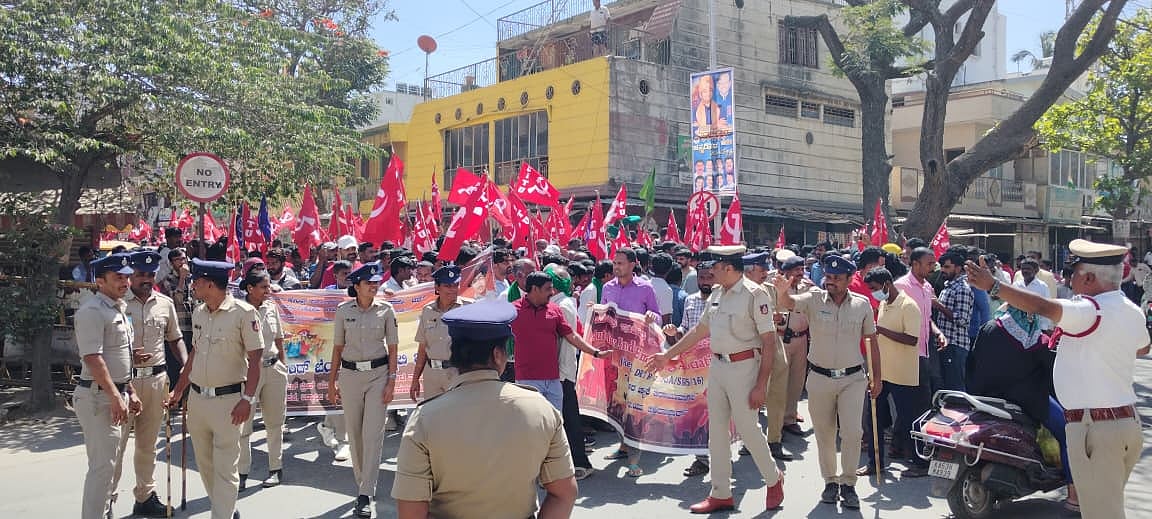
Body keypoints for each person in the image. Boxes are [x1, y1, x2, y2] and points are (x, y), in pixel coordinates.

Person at [966, 240, 1149, 519]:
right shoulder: (1131, 310)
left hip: (1096, 428)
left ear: (1089, 278)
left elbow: (1043, 307)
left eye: (1073, 273)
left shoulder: (1090, 310)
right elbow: (1143, 348)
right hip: (1124, 425)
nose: (1068, 280)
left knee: (1102, 514)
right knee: (1105, 509)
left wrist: (994, 286)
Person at [391, 297, 578, 518]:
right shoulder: (540, 409)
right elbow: (564, 494)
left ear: (453, 355)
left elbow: (411, 511)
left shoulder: (425, 418)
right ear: (498, 355)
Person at [648, 245, 785, 514]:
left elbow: (769, 342)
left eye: (717, 267)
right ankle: (721, 492)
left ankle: (773, 478)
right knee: (717, 432)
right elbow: (699, 331)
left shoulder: (755, 295)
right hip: (718, 367)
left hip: (745, 367)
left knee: (747, 428)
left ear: (730, 268)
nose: (711, 272)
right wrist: (667, 355)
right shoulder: (718, 293)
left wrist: (761, 385)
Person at [773, 255, 880, 510]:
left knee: (852, 433)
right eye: (828, 277)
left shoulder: (862, 304)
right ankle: (830, 481)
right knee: (824, 434)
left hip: (852, 379)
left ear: (849, 279)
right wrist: (782, 292)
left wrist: (877, 377)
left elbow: (872, 341)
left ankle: (849, 484)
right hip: (820, 378)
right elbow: (789, 303)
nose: (830, 281)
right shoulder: (813, 299)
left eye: (837, 278)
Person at [165, 259, 265, 519]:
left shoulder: (243, 313)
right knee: (205, 464)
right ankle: (226, 509)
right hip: (198, 400)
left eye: (196, 282)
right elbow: (195, 353)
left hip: (229, 402)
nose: (193, 286)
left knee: (225, 467)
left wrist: (247, 399)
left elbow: (256, 359)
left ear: (210, 284)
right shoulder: (199, 312)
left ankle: (221, 514)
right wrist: (179, 390)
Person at [114, 251, 185, 517]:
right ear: (130, 276)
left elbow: (175, 338)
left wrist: (186, 364)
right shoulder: (118, 304)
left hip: (156, 381)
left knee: (148, 445)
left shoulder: (165, 304)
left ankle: (144, 496)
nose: (145, 279)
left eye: (150, 274)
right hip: (125, 382)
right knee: (116, 446)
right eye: (140, 274)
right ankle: (107, 501)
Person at [328, 262, 399, 518]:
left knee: (373, 434)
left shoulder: (386, 310)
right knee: (355, 434)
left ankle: (365, 492)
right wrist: (331, 382)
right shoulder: (343, 311)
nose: (374, 286)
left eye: (376, 282)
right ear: (356, 286)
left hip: (378, 375)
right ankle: (363, 484)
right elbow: (337, 348)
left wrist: (392, 381)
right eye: (368, 283)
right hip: (350, 376)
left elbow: (393, 348)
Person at [74, 253, 140, 519]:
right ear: (100, 281)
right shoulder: (92, 311)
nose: (125, 282)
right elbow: (93, 358)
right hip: (98, 397)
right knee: (102, 469)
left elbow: (119, 357)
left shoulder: (117, 308)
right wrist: (115, 396)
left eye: (126, 277)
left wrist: (129, 391)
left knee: (110, 468)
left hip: (114, 395)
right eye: (118, 277)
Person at [857, 267, 931, 477]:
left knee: (909, 420)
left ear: (887, 284)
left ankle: (920, 463)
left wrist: (880, 330)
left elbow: (912, 339)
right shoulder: (883, 304)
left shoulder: (909, 306)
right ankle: (875, 463)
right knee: (874, 419)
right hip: (882, 372)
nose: (873, 293)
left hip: (903, 374)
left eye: (874, 288)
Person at [600, 248, 662, 476]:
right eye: (614, 263)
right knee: (617, 403)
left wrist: (651, 317)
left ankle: (634, 459)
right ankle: (623, 446)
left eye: (620, 263)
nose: (616, 267)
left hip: (638, 356)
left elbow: (657, 315)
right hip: (615, 356)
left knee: (635, 406)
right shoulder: (608, 287)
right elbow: (603, 315)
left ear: (632, 264)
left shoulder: (645, 288)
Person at [512, 271, 610, 411]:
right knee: (532, 421)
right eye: (548, 289)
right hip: (527, 380)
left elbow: (572, 336)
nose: (552, 292)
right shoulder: (513, 310)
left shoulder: (555, 310)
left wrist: (596, 353)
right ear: (534, 289)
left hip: (553, 380)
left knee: (557, 421)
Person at [236, 270, 289, 489]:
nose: (269, 290)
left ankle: (275, 468)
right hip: (249, 371)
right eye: (264, 287)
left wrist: (283, 365)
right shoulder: (238, 310)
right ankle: (241, 473)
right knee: (243, 425)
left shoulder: (271, 307)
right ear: (250, 288)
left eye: (269, 286)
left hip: (273, 368)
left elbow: (279, 339)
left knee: (275, 423)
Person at [546, 265, 597, 480]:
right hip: (559, 370)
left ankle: (580, 462)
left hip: (562, 370)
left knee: (569, 418)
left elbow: (566, 339)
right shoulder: (561, 302)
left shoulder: (563, 305)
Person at [666, 262, 715, 477]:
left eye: (709, 277)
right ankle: (701, 460)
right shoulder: (690, 300)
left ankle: (724, 454)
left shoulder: (723, 301)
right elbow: (685, 330)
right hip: (693, 368)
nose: (705, 282)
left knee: (719, 413)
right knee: (698, 413)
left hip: (718, 365)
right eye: (702, 278)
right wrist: (674, 331)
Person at [743, 251, 793, 461]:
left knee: (777, 397)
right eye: (761, 269)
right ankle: (749, 440)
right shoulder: (739, 291)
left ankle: (774, 440)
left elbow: (784, 314)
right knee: (750, 398)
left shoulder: (771, 289)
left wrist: (780, 319)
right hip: (752, 349)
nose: (766, 272)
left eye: (766, 268)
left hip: (775, 347)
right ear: (748, 271)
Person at [410, 266, 469, 402]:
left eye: (455, 285)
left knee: (457, 413)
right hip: (432, 375)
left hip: (458, 372)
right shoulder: (427, 310)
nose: (452, 289)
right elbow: (423, 348)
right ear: (437, 287)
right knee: (433, 413)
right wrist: (415, 379)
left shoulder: (468, 308)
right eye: (447, 286)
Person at [894, 247, 947, 394]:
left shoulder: (927, 287)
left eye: (934, 264)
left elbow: (926, 318)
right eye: (929, 264)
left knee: (925, 397)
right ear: (916, 264)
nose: (933, 268)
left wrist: (938, 333)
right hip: (906, 355)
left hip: (925, 353)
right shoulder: (900, 286)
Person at [774, 256, 814, 437]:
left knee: (796, 382)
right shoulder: (776, 286)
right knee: (779, 381)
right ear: (787, 271)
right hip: (781, 338)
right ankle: (776, 420)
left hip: (801, 339)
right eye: (796, 270)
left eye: (802, 269)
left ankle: (789, 418)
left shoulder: (808, 287)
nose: (800, 273)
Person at [934, 252, 974, 391]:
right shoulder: (948, 286)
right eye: (942, 267)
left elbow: (962, 319)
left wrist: (938, 305)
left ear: (958, 268)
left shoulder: (962, 288)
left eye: (947, 267)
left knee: (955, 389)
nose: (942, 270)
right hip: (945, 343)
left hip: (955, 345)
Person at [1015, 258, 1054, 331]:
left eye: (1028, 269)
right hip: (1018, 326)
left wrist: (1045, 327)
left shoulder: (1042, 287)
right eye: (1023, 269)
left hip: (1037, 327)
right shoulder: (1016, 285)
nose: (1025, 271)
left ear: (1036, 270)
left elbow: (1047, 308)